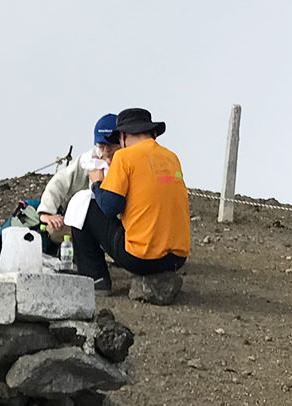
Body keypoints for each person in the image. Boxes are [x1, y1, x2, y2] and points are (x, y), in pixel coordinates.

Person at [72, 107, 191, 290]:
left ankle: (95, 280)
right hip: (177, 259)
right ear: (152, 133)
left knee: (82, 205)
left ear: (124, 135)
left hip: (141, 259)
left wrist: (97, 184)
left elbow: (110, 207)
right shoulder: (172, 158)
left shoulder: (124, 156)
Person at [37, 114, 122, 251]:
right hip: (93, 220)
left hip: (121, 226)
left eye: (111, 146)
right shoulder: (89, 160)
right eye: (101, 146)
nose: (106, 151)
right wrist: (46, 213)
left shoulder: (130, 163)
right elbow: (61, 180)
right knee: (54, 229)